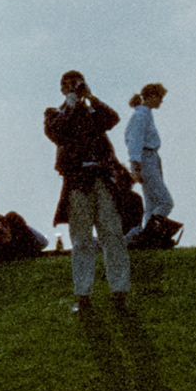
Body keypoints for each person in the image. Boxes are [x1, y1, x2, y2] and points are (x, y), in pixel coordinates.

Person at [45, 70, 135, 313]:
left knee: (113, 236)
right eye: (67, 84)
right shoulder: (55, 114)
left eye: (75, 83)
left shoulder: (93, 112)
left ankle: (120, 292)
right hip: (77, 183)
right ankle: (83, 296)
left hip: (101, 179)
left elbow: (112, 119)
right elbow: (57, 133)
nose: (72, 87)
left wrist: (91, 97)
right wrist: (70, 104)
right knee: (81, 240)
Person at [124, 84, 179, 243]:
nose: (161, 101)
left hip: (151, 157)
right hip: (145, 157)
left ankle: (148, 238)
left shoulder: (146, 114)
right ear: (151, 96)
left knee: (152, 204)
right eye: (159, 97)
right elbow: (135, 140)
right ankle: (147, 234)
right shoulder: (140, 116)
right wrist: (136, 164)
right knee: (165, 202)